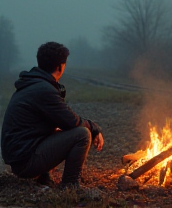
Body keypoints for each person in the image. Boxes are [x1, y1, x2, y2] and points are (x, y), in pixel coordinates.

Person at [1, 41, 104, 188]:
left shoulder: (33, 84)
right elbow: (72, 122)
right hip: (25, 162)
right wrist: (94, 127)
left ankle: (44, 178)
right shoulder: (43, 89)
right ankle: (70, 186)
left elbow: (61, 121)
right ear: (60, 66)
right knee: (82, 134)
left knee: (57, 127)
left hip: (19, 157)